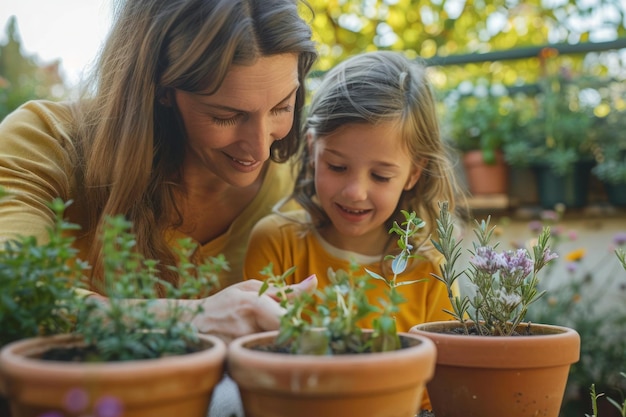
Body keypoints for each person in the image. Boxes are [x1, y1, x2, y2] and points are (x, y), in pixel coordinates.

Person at [0, 0, 318, 344]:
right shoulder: (44, 142)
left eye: (281, 107)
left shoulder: (302, 184)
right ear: (162, 90)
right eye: (226, 116)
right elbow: (13, 290)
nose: (259, 149)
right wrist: (187, 318)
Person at [243, 50, 467, 410]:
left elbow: (440, 391)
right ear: (314, 149)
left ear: (413, 173)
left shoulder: (431, 268)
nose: (355, 192)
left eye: (380, 175)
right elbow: (261, 367)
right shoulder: (276, 242)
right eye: (337, 166)